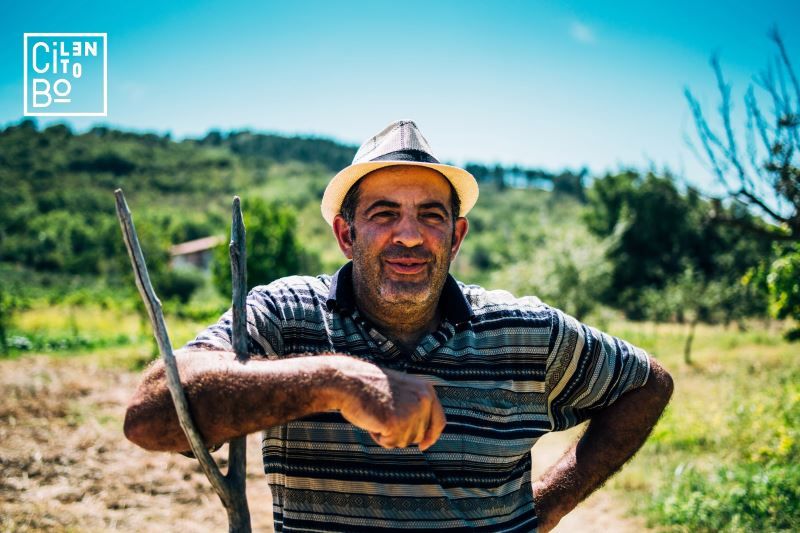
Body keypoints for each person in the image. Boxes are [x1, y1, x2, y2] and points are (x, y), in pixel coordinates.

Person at [124, 120, 674, 532]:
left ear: (455, 237)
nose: (409, 235)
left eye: (430, 217)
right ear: (346, 234)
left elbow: (647, 383)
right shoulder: (287, 315)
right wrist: (337, 383)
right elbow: (150, 418)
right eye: (384, 213)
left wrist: (547, 505)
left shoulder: (524, 331)